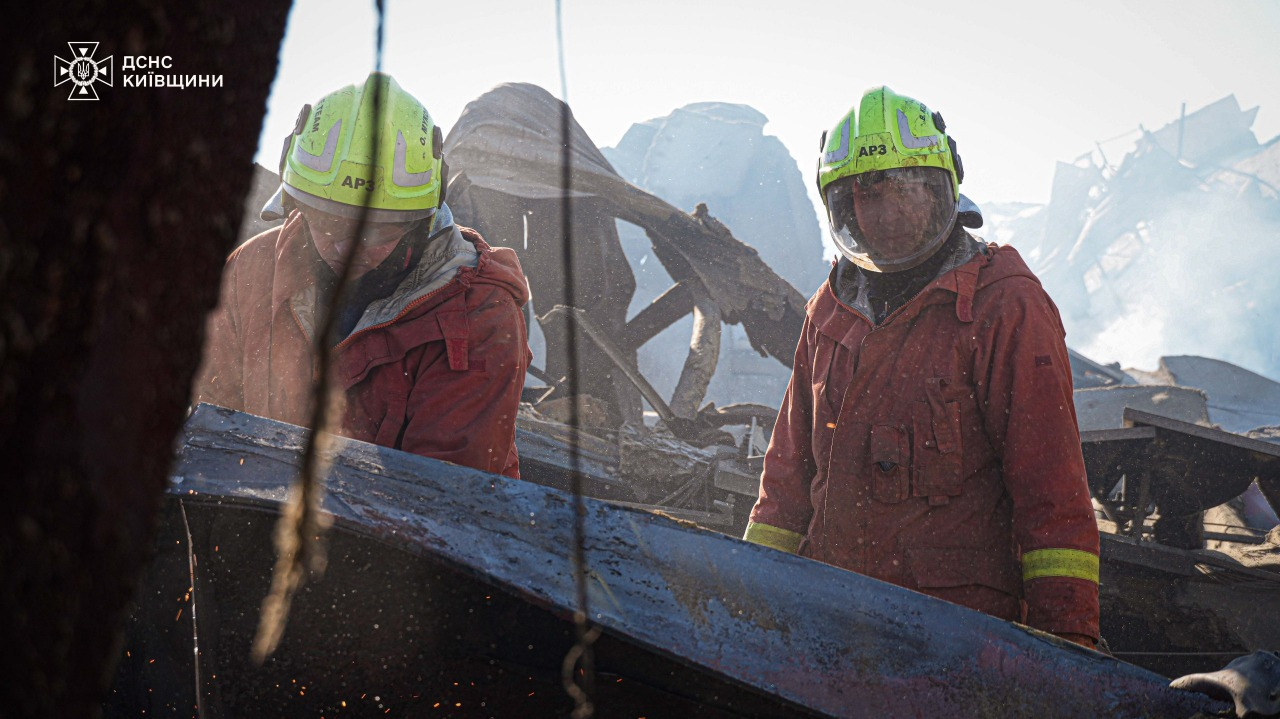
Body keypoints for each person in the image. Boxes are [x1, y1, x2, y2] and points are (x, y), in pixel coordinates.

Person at [743, 86, 1100, 648]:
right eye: (864, 197)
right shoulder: (831, 311)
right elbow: (785, 482)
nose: (887, 216)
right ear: (842, 207)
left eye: (906, 191)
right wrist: (750, 605)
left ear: (944, 190)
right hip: (825, 625)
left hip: (953, 643)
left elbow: (1052, 501)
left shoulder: (1004, 306)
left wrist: (1067, 649)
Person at [194, 73, 532, 478]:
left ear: (419, 222)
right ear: (297, 203)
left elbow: (443, 507)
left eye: (374, 230)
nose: (345, 248)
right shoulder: (253, 270)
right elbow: (207, 423)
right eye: (327, 222)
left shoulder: (479, 315)